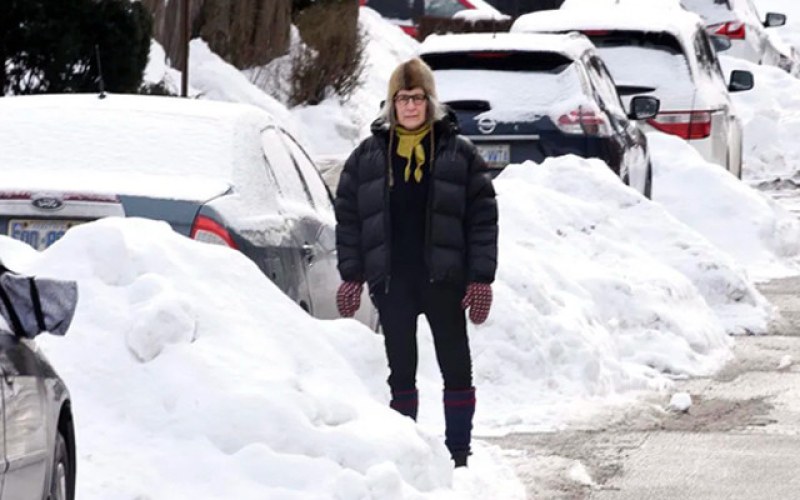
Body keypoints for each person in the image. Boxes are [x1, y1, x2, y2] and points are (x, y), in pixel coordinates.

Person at [333, 57, 498, 468]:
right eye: (403, 99)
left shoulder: (459, 155)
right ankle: (405, 456)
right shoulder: (368, 158)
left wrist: (480, 279)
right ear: (391, 103)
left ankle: (458, 454)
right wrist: (352, 275)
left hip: (445, 280)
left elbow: (482, 220)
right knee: (400, 371)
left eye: (418, 98)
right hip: (393, 284)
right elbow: (350, 218)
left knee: (456, 368)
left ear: (431, 102)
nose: (410, 106)